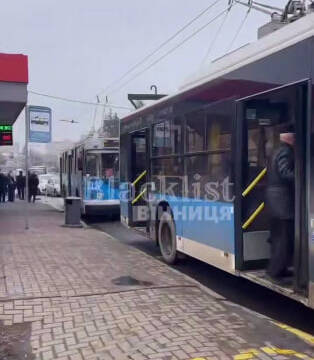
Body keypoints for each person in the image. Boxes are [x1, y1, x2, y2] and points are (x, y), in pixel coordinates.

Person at [266, 131, 295, 281]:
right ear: (289, 138)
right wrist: (303, 174)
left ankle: (279, 269)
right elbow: (285, 173)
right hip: (283, 202)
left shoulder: (276, 150)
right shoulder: (286, 151)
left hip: (276, 201)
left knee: (279, 237)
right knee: (285, 237)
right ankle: (275, 271)